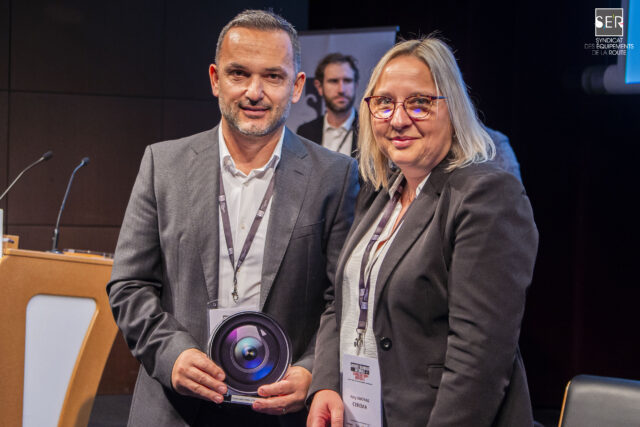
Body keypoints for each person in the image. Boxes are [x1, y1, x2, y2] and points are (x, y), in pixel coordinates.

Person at [107, 9, 359, 427]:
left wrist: (316, 370)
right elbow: (129, 283)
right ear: (215, 79)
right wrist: (172, 354)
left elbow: (342, 299)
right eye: (239, 73)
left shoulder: (335, 175)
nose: (254, 92)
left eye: (273, 77)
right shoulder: (163, 164)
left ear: (296, 86)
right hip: (175, 407)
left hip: (281, 407)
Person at [307, 37, 538, 427]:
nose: (398, 119)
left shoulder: (486, 194)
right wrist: (327, 383)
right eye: (384, 103)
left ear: (453, 108)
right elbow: (342, 300)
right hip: (361, 414)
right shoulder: (382, 192)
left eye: (419, 103)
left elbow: (479, 358)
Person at [297, 53, 359, 157]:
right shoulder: (305, 133)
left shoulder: (370, 132)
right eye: (334, 81)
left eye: (347, 81)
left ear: (355, 85)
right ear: (319, 87)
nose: (341, 90)